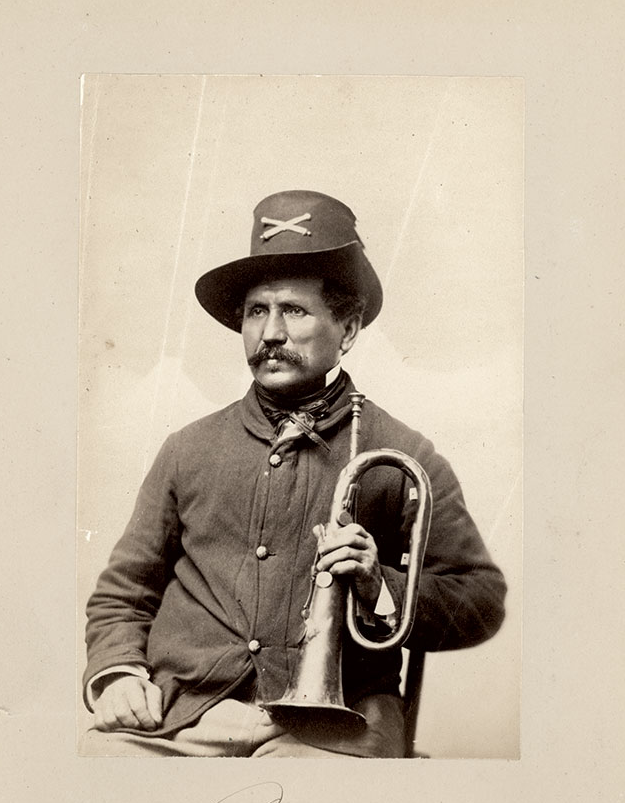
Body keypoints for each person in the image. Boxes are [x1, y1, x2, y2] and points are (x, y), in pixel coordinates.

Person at [82, 189, 506, 759]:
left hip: (337, 728)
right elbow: (123, 592)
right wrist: (118, 673)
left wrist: (380, 584)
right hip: (186, 714)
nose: (270, 333)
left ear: (348, 329)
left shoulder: (405, 455)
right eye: (257, 311)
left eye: (295, 311)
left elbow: (479, 599)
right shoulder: (188, 449)